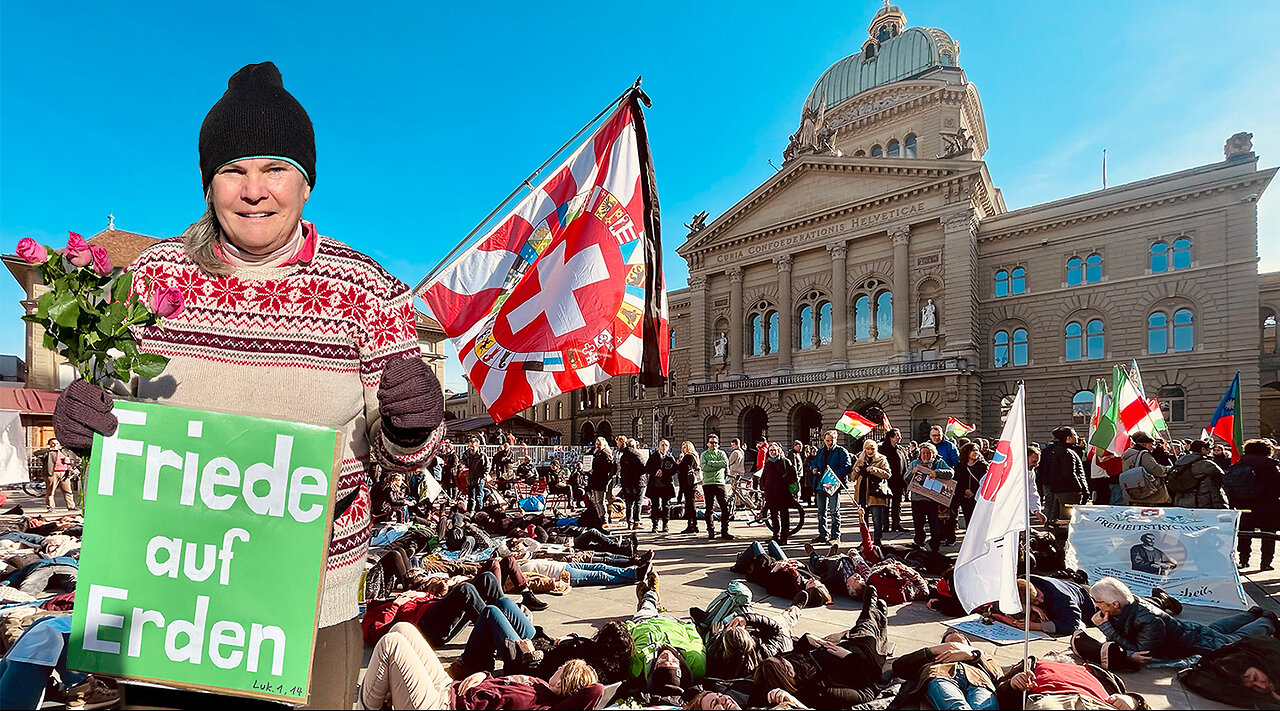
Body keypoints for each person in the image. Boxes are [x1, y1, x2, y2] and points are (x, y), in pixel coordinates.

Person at [50, 61, 445, 710]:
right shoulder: (150, 281)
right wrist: (82, 428)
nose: (255, 189)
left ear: (307, 182)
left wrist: (411, 424)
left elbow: (405, 452)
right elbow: (108, 423)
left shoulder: (370, 291)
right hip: (166, 608)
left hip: (311, 609)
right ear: (208, 183)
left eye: (276, 167)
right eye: (234, 169)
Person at [357, 621, 603, 710]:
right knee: (403, 629)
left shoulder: (543, 707)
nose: (558, 667)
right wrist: (482, 674)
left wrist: (582, 685)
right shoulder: (538, 684)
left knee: (392, 644)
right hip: (451, 688)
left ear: (566, 680)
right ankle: (382, 699)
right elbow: (501, 683)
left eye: (563, 669)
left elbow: (596, 692)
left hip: (442, 707)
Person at [750, 588, 891, 708]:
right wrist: (849, 657)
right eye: (785, 662)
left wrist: (806, 640)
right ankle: (872, 609)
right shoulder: (820, 691)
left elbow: (793, 653)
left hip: (831, 648)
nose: (788, 659)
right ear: (789, 674)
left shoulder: (778, 671)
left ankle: (876, 614)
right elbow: (867, 694)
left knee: (852, 632)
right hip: (859, 662)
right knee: (866, 632)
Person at [1088, 576, 1276, 663]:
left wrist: (1106, 628)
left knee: (1235, 642)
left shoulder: (1147, 620)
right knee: (1216, 630)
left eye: (1099, 602)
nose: (1097, 606)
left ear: (1114, 604)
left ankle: (1267, 619)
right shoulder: (1126, 604)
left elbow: (1143, 651)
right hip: (1186, 632)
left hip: (1191, 642)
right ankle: (1252, 613)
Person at [892, 630, 1005, 710]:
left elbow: (998, 676)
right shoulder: (936, 656)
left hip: (979, 682)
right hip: (941, 676)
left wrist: (972, 656)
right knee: (957, 706)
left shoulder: (981, 656)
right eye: (950, 640)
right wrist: (934, 651)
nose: (954, 632)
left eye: (960, 637)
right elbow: (899, 666)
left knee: (984, 707)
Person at [1227, 438, 1280, 571]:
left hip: (1243, 505)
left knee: (1245, 533)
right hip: (1268, 505)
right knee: (1269, 535)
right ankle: (1265, 563)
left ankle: (1244, 560)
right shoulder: (1270, 467)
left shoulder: (1238, 466)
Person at [907, 443, 953, 552]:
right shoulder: (914, 463)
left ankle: (935, 547)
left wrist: (936, 473)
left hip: (933, 500)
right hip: (917, 499)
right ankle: (919, 544)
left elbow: (951, 473)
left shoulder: (939, 463)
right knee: (918, 525)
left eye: (928, 453)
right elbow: (905, 478)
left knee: (935, 525)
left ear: (933, 454)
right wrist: (912, 473)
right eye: (923, 453)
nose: (925, 455)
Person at [809, 430, 852, 545]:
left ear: (835, 440)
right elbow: (814, 463)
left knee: (834, 511)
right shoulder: (821, 451)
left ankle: (835, 536)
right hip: (820, 483)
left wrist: (834, 474)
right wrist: (813, 468)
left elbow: (847, 467)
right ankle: (823, 534)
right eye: (827, 440)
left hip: (833, 484)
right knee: (821, 511)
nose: (829, 443)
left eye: (831, 440)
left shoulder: (841, 451)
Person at [1040, 426, 1088, 520]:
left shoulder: (1059, 451)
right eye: (1074, 435)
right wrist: (1080, 489)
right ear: (1068, 438)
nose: (1077, 437)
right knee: (1068, 520)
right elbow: (1069, 474)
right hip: (1068, 493)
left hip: (1060, 490)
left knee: (1058, 517)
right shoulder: (1067, 453)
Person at [850, 439, 891, 545]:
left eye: (872, 449)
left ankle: (877, 540)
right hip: (862, 492)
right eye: (867, 449)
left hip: (875, 493)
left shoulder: (882, 459)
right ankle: (865, 540)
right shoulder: (860, 460)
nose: (869, 451)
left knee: (877, 518)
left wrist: (875, 470)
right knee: (863, 518)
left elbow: (888, 474)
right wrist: (856, 471)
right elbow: (852, 477)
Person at [945, 442, 986, 546]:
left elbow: (985, 482)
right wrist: (963, 491)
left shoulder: (982, 466)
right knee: (952, 517)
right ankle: (951, 538)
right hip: (961, 495)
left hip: (975, 496)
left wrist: (973, 492)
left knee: (971, 518)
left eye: (977, 450)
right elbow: (956, 481)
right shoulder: (960, 466)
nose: (975, 453)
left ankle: (972, 540)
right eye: (973, 450)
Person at [758, 442, 798, 544]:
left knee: (784, 516)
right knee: (774, 516)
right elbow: (764, 477)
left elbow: (793, 476)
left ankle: (784, 538)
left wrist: (781, 482)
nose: (772, 452)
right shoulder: (768, 463)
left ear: (779, 451)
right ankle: (776, 535)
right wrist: (763, 487)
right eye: (770, 450)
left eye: (774, 450)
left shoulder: (785, 462)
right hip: (770, 495)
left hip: (782, 494)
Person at [1170, 441, 1227, 510]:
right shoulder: (1207, 464)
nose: (1210, 451)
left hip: (1181, 501)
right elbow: (1223, 478)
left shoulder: (1180, 462)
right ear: (1203, 449)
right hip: (1202, 502)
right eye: (1208, 449)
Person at [1120, 432, 1171, 506]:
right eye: (1151, 445)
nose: (1152, 448)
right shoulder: (1143, 454)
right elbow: (1156, 470)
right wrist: (1167, 469)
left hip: (1132, 492)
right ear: (1144, 444)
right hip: (1146, 493)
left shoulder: (1127, 455)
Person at [701, 435, 733, 541]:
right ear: (707, 444)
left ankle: (725, 531)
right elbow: (704, 467)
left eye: (715, 442)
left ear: (718, 443)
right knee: (709, 508)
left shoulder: (722, 453)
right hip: (708, 483)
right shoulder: (704, 454)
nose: (713, 444)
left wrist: (711, 463)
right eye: (711, 442)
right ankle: (711, 530)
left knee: (725, 508)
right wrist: (717, 465)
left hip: (720, 483)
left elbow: (724, 463)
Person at [880, 428, 908, 533]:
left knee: (897, 504)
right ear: (891, 437)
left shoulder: (901, 449)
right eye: (897, 436)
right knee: (886, 504)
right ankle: (885, 525)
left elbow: (905, 463)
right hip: (886, 481)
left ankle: (896, 524)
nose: (900, 438)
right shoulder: (882, 449)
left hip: (899, 480)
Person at [646, 439, 677, 532]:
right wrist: (655, 472)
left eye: (666, 445)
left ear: (669, 447)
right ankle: (654, 524)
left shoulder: (670, 458)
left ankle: (665, 524)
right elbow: (647, 468)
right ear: (659, 446)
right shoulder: (653, 456)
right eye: (662, 445)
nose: (664, 447)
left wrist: (664, 472)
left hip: (666, 485)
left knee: (666, 505)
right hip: (654, 485)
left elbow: (674, 469)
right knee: (655, 505)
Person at [618, 439, 647, 529]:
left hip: (627, 482)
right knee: (638, 502)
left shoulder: (623, 455)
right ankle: (636, 522)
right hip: (638, 482)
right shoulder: (637, 455)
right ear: (634, 446)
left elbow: (622, 470)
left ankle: (629, 522)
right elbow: (643, 468)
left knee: (629, 503)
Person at [42, 439, 77, 511]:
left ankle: (71, 507)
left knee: (68, 491)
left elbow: (75, 459)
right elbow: (36, 453)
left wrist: (69, 461)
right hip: (52, 473)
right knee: (51, 491)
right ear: (49, 444)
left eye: (57, 443)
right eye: (53, 443)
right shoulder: (48, 452)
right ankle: (51, 507)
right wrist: (50, 450)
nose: (55, 445)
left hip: (64, 473)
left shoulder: (65, 451)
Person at [676, 441, 702, 534]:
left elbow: (684, 469)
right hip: (692, 483)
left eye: (683, 448)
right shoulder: (695, 456)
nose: (682, 450)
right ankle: (693, 524)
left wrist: (678, 464)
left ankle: (691, 525)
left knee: (690, 504)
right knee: (692, 503)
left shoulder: (688, 457)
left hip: (688, 483)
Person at [588, 437, 615, 523]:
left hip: (600, 480)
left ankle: (604, 518)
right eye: (596, 444)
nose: (597, 445)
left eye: (599, 444)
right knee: (595, 501)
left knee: (600, 500)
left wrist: (596, 471)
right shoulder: (596, 453)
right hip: (595, 480)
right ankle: (599, 517)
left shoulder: (605, 454)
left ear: (604, 445)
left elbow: (608, 468)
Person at [460, 438, 491, 513]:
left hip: (479, 479)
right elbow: (462, 462)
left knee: (479, 497)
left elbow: (487, 466)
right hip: (470, 478)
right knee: (470, 497)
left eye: (473, 446)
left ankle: (479, 512)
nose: (471, 448)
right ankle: (470, 512)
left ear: (477, 446)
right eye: (470, 446)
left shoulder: (482, 455)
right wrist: (462, 465)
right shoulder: (466, 454)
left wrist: (483, 475)